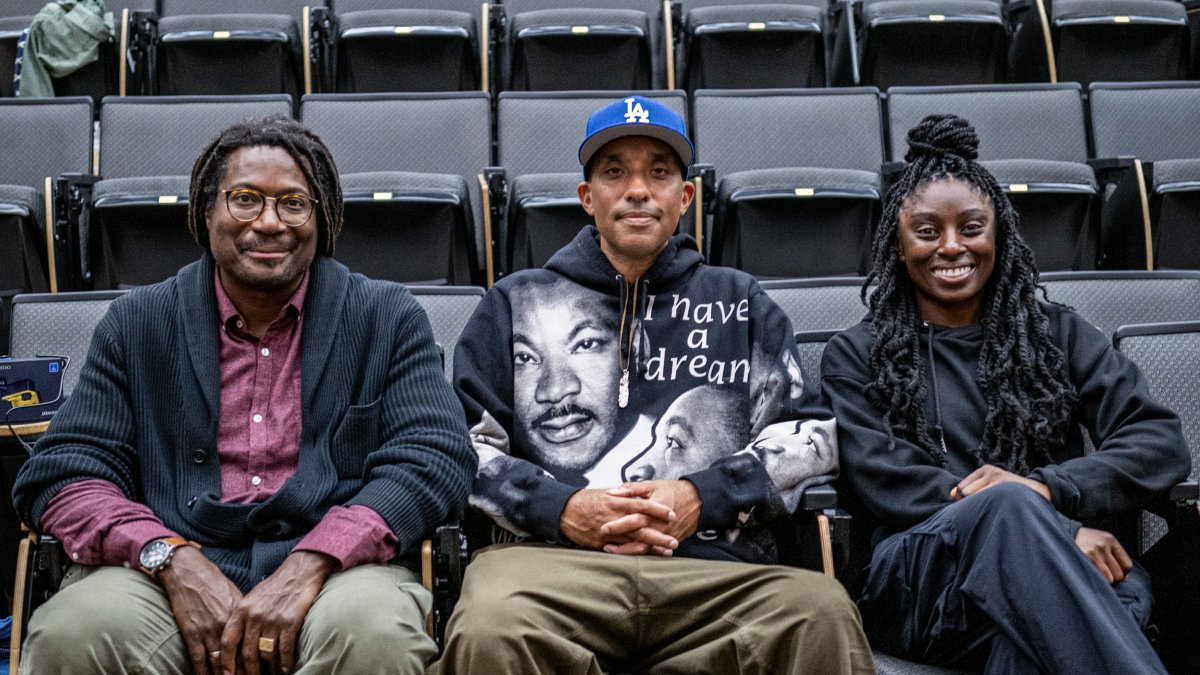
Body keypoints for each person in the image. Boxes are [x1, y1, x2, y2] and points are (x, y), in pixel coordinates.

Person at [12, 117, 476, 675]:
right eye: (246, 200)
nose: (270, 222)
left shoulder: (385, 316)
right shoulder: (138, 323)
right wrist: (168, 557)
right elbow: (63, 473)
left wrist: (315, 558)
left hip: (341, 574)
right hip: (162, 571)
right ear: (206, 212)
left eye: (294, 204)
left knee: (375, 634)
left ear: (321, 218)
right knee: (76, 632)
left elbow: (436, 460)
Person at [432, 95, 873, 674]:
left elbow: (810, 438)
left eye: (658, 172)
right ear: (587, 197)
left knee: (821, 611)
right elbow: (460, 448)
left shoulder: (739, 300)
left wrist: (701, 496)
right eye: (615, 172)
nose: (637, 189)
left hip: (715, 571)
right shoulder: (515, 301)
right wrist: (562, 507)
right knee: (490, 616)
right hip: (551, 566)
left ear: (684, 198)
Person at [821, 114, 1191, 673]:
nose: (951, 247)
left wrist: (1048, 490)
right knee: (1013, 510)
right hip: (918, 584)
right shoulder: (856, 355)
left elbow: (1159, 441)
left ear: (998, 235)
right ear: (898, 245)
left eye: (971, 228)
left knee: (1027, 644)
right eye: (926, 232)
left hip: (1037, 585)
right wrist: (1059, 531)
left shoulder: (1056, 334)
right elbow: (884, 482)